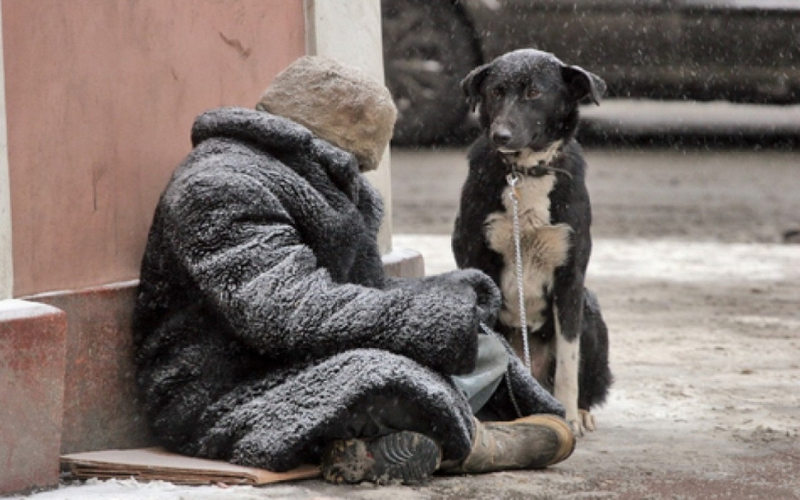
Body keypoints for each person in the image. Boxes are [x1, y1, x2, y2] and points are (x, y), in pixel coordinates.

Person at [132, 55, 575, 485]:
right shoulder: (220, 186)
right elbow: (286, 311)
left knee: (473, 337)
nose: (358, 178)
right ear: (317, 145)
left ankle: (404, 437)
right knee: (381, 375)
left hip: (302, 357)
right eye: (353, 165)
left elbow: (361, 293)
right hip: (221, 392)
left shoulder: (321, 185)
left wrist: (444, 300)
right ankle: (470, 442)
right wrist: (418, 318)